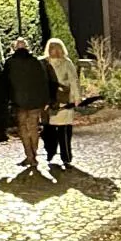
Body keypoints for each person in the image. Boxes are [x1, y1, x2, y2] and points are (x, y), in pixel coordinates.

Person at [2, 35, 54, 173]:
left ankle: (29, 155)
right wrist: (45, 100)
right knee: (33, 127)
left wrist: (8, 98)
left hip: (18, 101)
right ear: (27, 47)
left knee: (23, 128)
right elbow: (43, 82)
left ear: (14, 47)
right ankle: (33, 155)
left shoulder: (10, 63)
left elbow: (5, 83)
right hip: (35, 101)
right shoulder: (35, 62)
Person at [42, 36, 80, 169]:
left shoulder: (66, 63)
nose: (54, 50)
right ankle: (50, 151)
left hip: (64, 100)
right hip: (49, 101)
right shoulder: (44, 63)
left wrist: (76, 98)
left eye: (56, 47)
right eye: (52, 47)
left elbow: (74, 80)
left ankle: (66, 156)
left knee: (64, 130)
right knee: (49, 131)